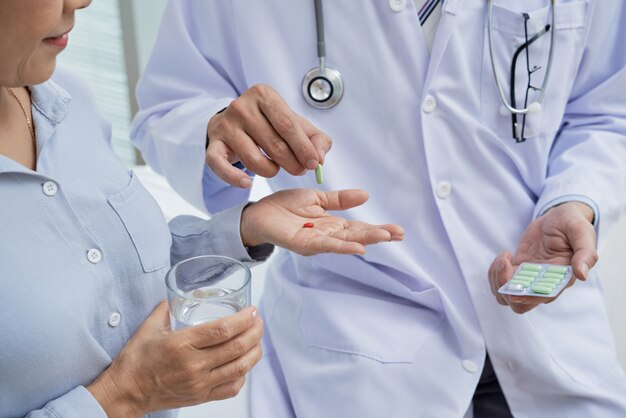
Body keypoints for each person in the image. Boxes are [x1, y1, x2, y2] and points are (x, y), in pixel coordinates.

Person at [131, 1, 626, 417]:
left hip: (545, 330)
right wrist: (218, 126)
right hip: (359, 348)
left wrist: (576, 199)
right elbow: (165, 110)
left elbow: (605, 106)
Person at [0, 1, 404, 417]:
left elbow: (111, 272)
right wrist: (128, 394)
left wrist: (244, 228)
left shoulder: (66, 102)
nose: (81, 2)